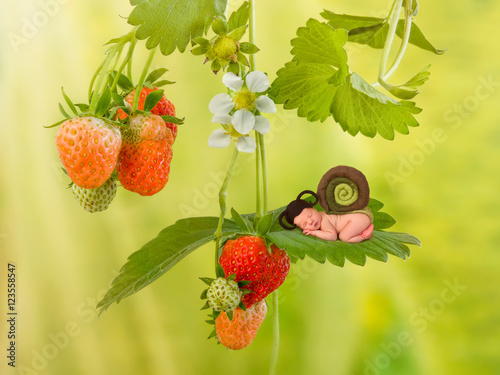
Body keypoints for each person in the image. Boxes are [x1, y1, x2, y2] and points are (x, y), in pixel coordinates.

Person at [279, 190, 373, 243]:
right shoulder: (322, 215)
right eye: (304, 224)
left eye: (310, 215)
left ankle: (365, 235)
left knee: (344, 237)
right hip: (359, 218)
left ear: (315, 209)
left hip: (358, 219)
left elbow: (332, 236)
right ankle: (365, 227)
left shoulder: (324, 221)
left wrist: (314, 233)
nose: (310, 221)